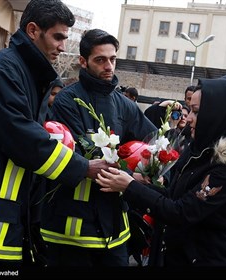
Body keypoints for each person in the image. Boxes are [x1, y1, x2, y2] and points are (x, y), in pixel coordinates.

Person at [0, 0, 114, 267]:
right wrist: (82, 166)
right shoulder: (2, 71)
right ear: (32, 30)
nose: (63, 46)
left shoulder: (26, 73)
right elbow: (23, 139)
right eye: (58, 37)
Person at [96, 75, 226, 266]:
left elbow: (181, 212)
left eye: (196, 112)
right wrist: (132, 181)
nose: (189, 119)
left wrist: (130, 187)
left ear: (217, 114)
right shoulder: (199, 150)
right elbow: (173, 196)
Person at [41, 28, 157, 267]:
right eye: (100, 60)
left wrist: (154, 168)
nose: (109, 66)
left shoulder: (125, 105)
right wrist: (130, 176)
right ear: (83, 62)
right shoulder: (68, 100)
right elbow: (83, 156)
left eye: (112, 59)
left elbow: (151, 142)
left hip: (114, 226)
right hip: (72, 228)